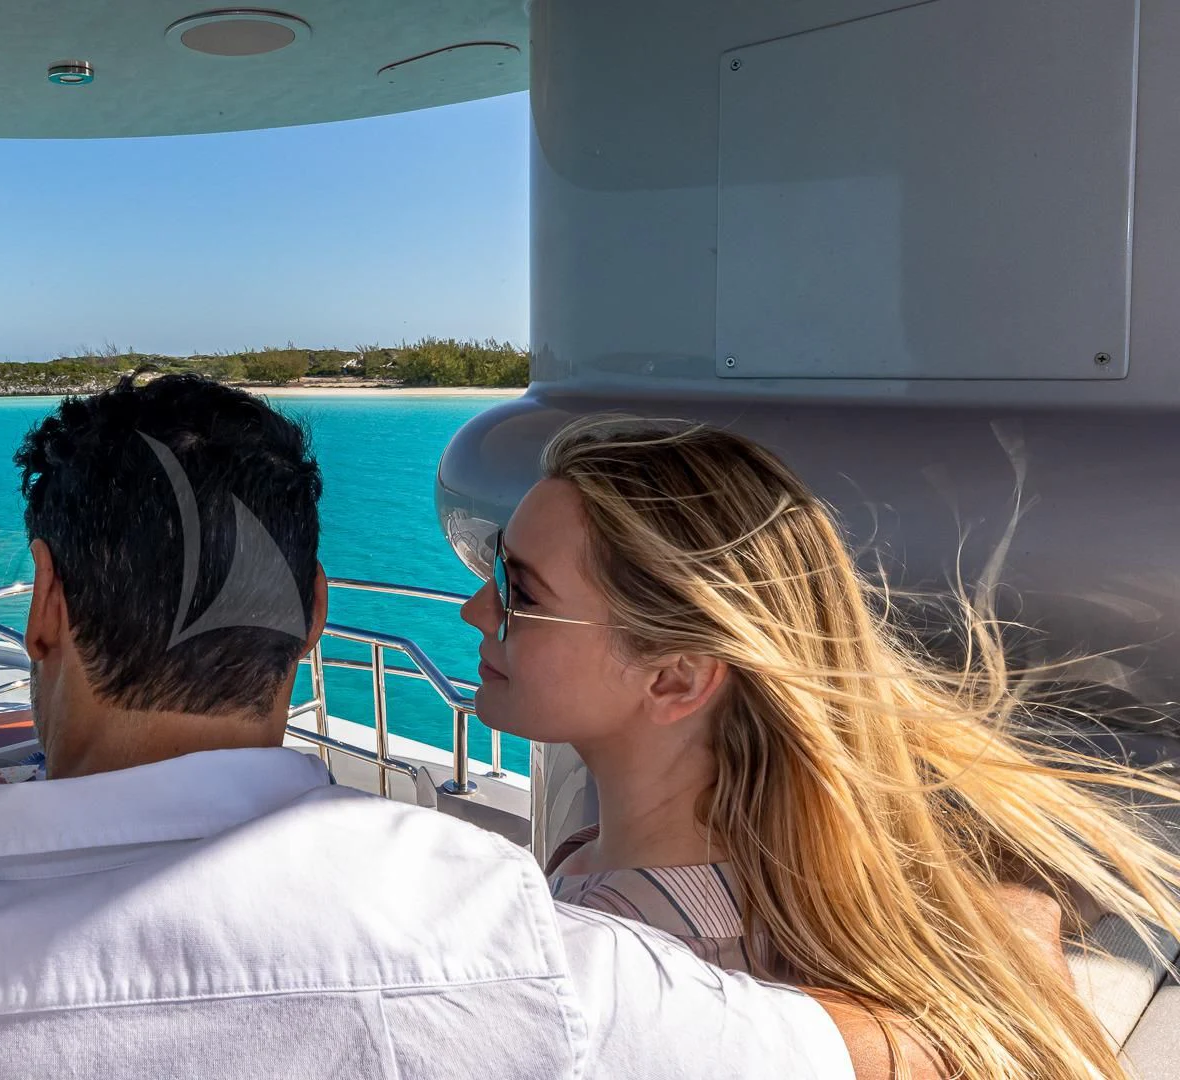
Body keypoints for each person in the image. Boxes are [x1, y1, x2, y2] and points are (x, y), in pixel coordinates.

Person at [0, 377, 888, 1079]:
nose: (479, 609)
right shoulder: (507, 944)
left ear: (45, 603)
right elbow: (875, 1053)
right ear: (318, 616)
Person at [462, 413, 1180, 1080]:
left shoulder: (626, 976)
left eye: (521, 593)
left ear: (676, 677)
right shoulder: (767, 879)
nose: (475, 609)